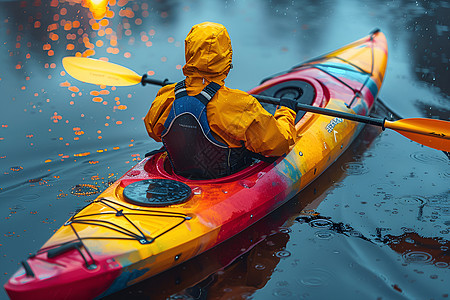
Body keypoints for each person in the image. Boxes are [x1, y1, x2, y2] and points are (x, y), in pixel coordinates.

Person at [144, 22, 297, 179]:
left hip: (180, 174)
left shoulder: (166, 95)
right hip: (225, 180)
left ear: (189, 53)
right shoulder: (241, 105)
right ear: (226, 58)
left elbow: (155, 133)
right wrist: (286, 112)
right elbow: (278, 144)